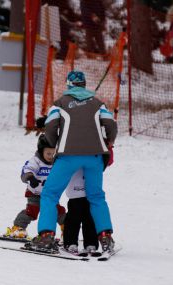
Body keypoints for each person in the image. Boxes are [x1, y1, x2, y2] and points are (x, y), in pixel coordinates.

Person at [31, 70, 117, 252]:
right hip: (94, 157)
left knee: (50, 194)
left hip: (68, 156)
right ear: (84, 84)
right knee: (96, 196)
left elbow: (50, 127)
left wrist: (55, 145)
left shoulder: (59, 105)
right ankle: (105, 236)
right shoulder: (97, 104)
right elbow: (111, 124)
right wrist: (109, 142)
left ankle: (46, 235)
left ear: (68, 85)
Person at [5, 134, 66, 239]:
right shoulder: (35, 161)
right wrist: (30, 177)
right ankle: (18, 228)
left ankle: (67, 230)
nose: (51, 156)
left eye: (53, 153)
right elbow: (27, 169)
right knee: (32, 211)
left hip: (50, 194)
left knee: (57, 211)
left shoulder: (56, 161)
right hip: (35, 193)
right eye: (48, 153)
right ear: (41, 151)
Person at [63, 149, 114, 254]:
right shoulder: (71, 149)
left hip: (89, 195)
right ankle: (70, 243)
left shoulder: (94, 149)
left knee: (89, 219)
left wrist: (107, 149)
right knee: (73, 219)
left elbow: (109, 160)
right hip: (75, 194)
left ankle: (90, 244)